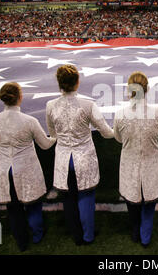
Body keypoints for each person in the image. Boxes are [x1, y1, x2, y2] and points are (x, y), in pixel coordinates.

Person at [46, 65, 114, 245]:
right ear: (77, 82)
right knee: (86, 196)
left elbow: (52, 133)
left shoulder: (50, 105)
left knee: (68, 198)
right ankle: (88, 235)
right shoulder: (88, 104)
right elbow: (105, 131)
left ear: (59, 83)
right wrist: (119, 132)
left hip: (63, 158)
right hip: (83, 157)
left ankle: (76, 235)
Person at [0, 82, 56, 251]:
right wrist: (55, 137)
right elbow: (45, 145)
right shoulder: (29, 121)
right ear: (20, 97)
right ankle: (37, 234)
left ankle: (21, 240)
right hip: (26, 168)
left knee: (13, 207)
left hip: (5, 170)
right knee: (33, 204)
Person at [113, 71, 158, 247]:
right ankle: (145, 236)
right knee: (149, 202)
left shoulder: (120, 114)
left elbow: (118, 138)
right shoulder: (157, 112)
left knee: (132, 200)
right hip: (151, 163)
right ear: (146, 89)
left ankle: (135, 231)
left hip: (129, 162)